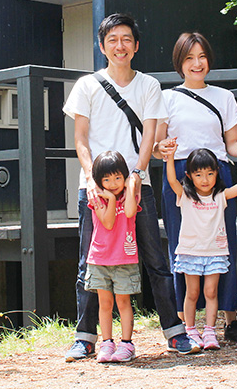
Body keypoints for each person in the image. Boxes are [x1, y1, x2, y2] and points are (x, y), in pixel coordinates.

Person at [63, 13, 199, 362]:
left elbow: (150, 135)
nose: (119, 45)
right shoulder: (87, 85)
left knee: (155, 259)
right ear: (102, 45)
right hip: (94, 187)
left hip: (139, 184)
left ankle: (174, 331)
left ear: (135, 46)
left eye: (126, 39)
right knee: (89, 262)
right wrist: (93, 181)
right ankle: (86, 337)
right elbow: (80, 140)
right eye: (112, 39)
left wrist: (138, 172)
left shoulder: (149, 86)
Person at [154, 31, 237, 344]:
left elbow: (230, 142)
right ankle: (185, 327)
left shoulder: (224, 97)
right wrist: (165, 148)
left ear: (209, 60)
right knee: (182, 247)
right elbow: (159, 144)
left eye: (201, 57)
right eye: (189, 58)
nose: (196, 63)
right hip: (181, 176)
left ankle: (230, 321)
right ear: (179, 63)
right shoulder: (167, 97)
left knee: (222, 245)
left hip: (217, 175)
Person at [164, 145, 237, 349]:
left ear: (217, 173)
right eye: (199, 174)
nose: (205, 179)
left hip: (215, 253)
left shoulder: (220, 196)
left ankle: (210, 331)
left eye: (210, 173)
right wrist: (170, 158)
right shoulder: (185, 195)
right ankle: (190, 330)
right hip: (190, 252)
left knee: (211, 292)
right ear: (189, 176)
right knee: (192, 293)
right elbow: (171, 180)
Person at [86, 151, 141, 362]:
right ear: (99, 181)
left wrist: (129, 186)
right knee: (105, 304)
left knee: (124, 302)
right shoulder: (97, 200)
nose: (112, 183)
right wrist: (109, 199)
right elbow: (108, 222)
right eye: (106, 179)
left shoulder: (131, 195)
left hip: (124, 258)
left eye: (118, 177)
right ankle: (107, 343)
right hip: (100, 258)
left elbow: (129, 213)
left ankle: (126, 344)